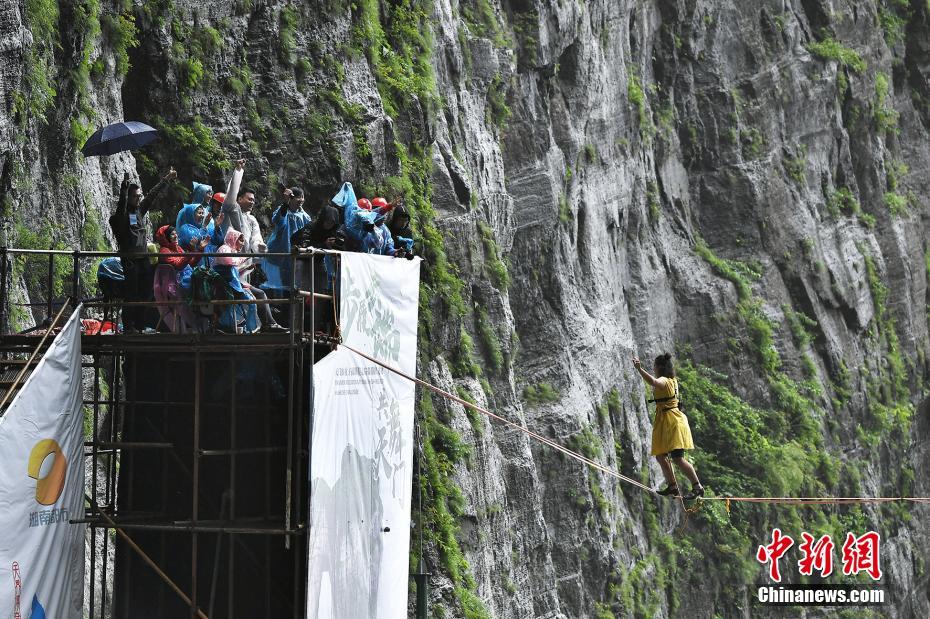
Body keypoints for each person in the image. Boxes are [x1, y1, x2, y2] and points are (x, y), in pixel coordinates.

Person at [110, 167, 176, 332]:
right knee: (131, 294)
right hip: (131, 260)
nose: (138, 199)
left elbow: (152, 196)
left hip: (143, 259)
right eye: (135, 196)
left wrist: (166, 179)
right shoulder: (121, 216)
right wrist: (124, 187)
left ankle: (139, 324)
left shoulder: (139, 211)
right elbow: (122, 205)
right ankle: (128, 326)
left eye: (139, 196)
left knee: (146, 293)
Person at [632, 352, 704, 499]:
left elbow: (654, 382)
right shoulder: (672, 380)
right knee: (660, 456)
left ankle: (697, 487)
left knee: (678, 458)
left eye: (654, 367)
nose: (653, 369)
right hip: (669, 421)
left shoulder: (664, 380)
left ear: (659, 367)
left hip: (673, 423)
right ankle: (672, 486)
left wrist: (639, 369)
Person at [215, 228, 286, 332]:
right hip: (228, 286)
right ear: (233, 239)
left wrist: (245, 268)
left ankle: (269, 324)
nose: (242, 244)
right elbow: (228, 261)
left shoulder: (231, 250)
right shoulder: (224, 248)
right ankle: (268, 324)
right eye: (241, 240)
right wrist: (243, 258)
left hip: (234, 284)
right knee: (260, 294)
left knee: (261, 293)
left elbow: (233, 271)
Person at [153, 225, 202, 332]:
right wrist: (190, 251)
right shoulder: (164, 251)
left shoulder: (178, 249)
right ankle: (200, 322)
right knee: (200, 287)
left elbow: (191, 263)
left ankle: (203, 320)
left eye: (176, 233)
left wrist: (199, 249)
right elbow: (178, 265)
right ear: (166, 237)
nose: (176, 236)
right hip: (172, 285)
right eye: (172, 234)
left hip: (182, 280)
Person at [262, 186, 311, 291]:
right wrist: (285, 202)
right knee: (276, 283)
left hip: (296, 251)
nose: (301, 200)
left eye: (303, 197)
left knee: (294, 282)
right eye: (298, 197)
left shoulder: (304, 216)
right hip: (279, 250)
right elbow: (277, 220)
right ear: (291, 198)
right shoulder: (284, 210)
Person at [235, 186, 267, 284]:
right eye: (249, 199)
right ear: (240, 199)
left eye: (253, 200)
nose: (252, 202)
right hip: (231, 258)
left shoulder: (252, 219)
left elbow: (256, 238)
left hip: (246, 261)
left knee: (245, 287)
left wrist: (260, 246)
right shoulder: (232, 213)